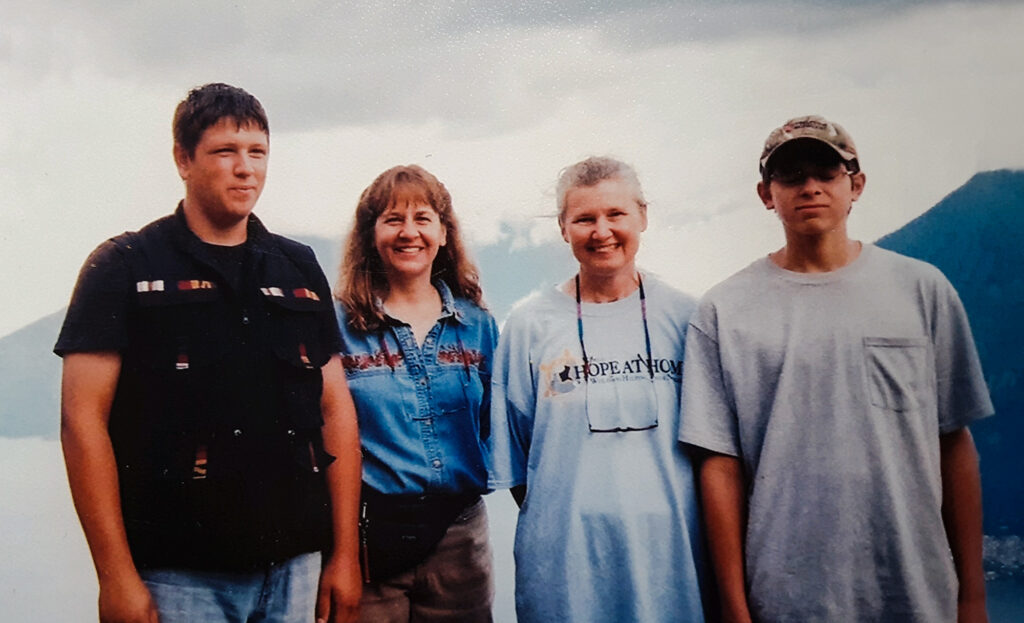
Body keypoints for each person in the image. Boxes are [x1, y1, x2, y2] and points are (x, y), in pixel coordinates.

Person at [55, 83, 362, 623]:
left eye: (257, 152)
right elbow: (82, 422)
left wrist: (344, 557)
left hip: (295, 568)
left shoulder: (297, 267)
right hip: (177, 576)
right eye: (225, 152)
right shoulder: (123, 267)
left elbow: (334, 410)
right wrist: (115, 578)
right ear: (183, 159)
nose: (245, 169)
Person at [680, 115, 993, 622]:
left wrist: (973, 597)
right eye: (791, 176)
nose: (810, 188)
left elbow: (953, 441)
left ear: (856, 185)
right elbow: (720, 468)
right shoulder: (724, 311)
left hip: (915, 591)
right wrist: (735, 611)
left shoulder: (921, 291)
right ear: (766, 194)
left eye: (827, 173)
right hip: (785, 598)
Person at [488, 156, 710, 622]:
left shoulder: (689, 318)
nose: (601, 230)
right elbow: (523, 468)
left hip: (672, 566)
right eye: (584, 218)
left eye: (615, 214)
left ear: (643, 216)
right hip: (567, 574)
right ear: (563, 229)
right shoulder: (529, 325)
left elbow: (711, 451)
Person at [334, 165, 499, 622]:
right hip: (373, 539)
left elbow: (490, 425)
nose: (410, 233)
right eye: (393, 220)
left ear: (444, 233)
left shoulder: (478, 325)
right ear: (371, 235)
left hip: (460, 539)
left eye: (423, 219)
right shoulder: (339, 326)